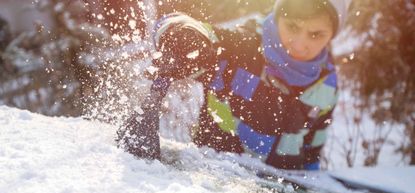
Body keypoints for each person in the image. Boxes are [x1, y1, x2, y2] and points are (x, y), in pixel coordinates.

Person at [117, 0, 351, 170]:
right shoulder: (239, 48)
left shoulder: (328, 84)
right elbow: (186, 27)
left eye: (316, 34)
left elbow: (311, 158)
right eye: (292, 27)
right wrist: (184, 34)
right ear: (278, 15)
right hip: (212, 184)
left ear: (333, 34)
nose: (300, 44)